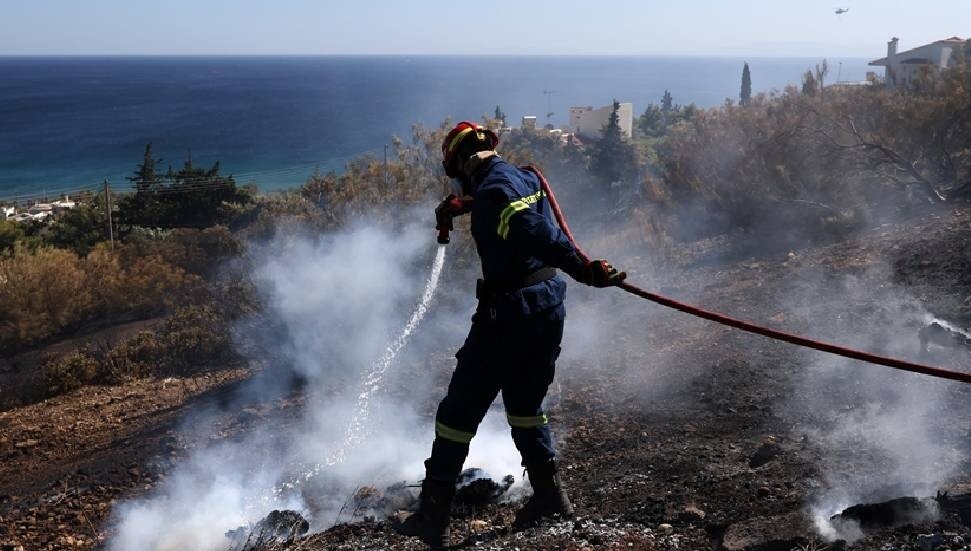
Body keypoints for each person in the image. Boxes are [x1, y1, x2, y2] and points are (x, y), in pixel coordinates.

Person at [394, 121, 626, 548]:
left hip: (508, 315)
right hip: (547, 306)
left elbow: (532, 229)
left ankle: (433, 518)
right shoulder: (524, 176)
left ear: (462, 164)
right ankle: (552, 500)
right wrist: (461, 206)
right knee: (525, 406)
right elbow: (508, 206)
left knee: (456, 415)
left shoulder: (497, 193)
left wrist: (585, 269)